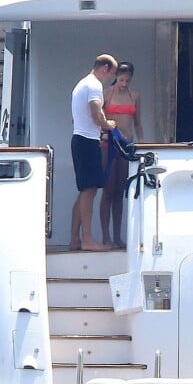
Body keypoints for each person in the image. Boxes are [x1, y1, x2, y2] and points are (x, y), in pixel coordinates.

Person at [69, 54, 118, 251]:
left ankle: (75, 239)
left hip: (80, 139)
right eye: (112, 74)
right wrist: (109, 124)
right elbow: (96, 114)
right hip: (87, 141)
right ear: (105, 68)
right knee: (89, 191)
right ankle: (87, 239)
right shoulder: (94, 85)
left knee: (84, 191)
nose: (111, 79)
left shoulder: (82, 83)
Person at [100, 61, 144, 249]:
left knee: (120, 191)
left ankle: (118, 236)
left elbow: (137, 123)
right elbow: (99, 118)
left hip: (126, 145)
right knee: (107, 190)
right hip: (109, 144)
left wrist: (141, 143)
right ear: (116, 77)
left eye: (127, 80)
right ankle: (105, 236)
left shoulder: (134, 96)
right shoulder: (106, 94)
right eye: (121, 79)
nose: (124, 83)